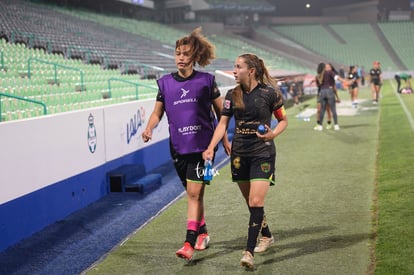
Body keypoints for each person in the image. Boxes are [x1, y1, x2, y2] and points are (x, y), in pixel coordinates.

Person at [141, 27, 231, 261]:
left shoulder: (206, 81)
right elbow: (156, 113)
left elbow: (221, 113)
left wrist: (225, 140)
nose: (180, 57)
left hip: (203, 148)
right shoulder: (165, 84)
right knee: (193, 194)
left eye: (185, 54)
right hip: (178, 147)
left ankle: (189, 243)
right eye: (177, 53)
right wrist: (149, 127)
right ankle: (202, 232)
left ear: (194, 57)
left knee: (193, 193)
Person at [202, 53, 288, 269]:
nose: (234, 70)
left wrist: (273, 134)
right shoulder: (232, 94)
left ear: (251, 70)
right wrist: (211, 147)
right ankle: (266, 235)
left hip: (263, 152)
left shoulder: (271, 93)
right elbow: (222, 124)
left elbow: (283, 120)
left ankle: (248, 252)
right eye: (234, 66)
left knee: (256, 202)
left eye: (238, 67)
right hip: (240, 154)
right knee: (251, 202)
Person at [314, 62, 345, 131]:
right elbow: (336, 78)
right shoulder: (329, 72)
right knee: (332, 109)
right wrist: (345, 81)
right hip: (329, 91)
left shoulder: (318, 76)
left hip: (322, 92)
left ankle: (322, 125)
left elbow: (318, 85)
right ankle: (336, 125)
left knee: (322, 110)